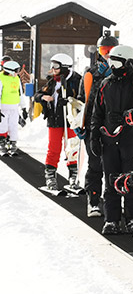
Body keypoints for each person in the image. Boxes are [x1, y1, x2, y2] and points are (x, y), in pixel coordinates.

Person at [88, 45, 133, 235]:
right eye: (110, 61)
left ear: (126, 62)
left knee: (130, 179)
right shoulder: (105, 84)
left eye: (116, 61)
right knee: (111, 180)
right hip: (109, 139)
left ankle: (132, 218)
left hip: (131, 139)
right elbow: (96, 114)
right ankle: (112, 220)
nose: (112, 65)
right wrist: (94, 137)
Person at [80, 34, 121, 217]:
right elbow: (83, 101)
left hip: (115, 127)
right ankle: (94, 201)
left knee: (114, 166)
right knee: (95, 164)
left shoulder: (121, 73)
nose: (107, 54)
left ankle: (112, 203)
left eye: (111, 50)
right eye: (104, 50)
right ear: (98, 52)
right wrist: (79, 124)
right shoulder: (91, 73)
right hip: (93, 126)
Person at [35, 53, 84, 191]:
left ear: (64, 67)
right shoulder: (52, 81)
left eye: (56, 66)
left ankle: (73, 175)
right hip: (55, 119)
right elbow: (37, 95)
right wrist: (44, 97)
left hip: (70, 120)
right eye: (52, 65)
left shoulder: (76, 80)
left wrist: (69, 101)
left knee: (71, 148)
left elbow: (82, 99)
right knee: (54, 148)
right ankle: (50, 175)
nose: (53, 69)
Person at [1, 57, 23, 155]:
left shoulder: (16, 78)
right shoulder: (1, 78)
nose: (18, 73)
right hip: (3, 108)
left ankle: (13, 143)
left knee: (13, 126)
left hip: (14, 107)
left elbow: (20, 93)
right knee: (3, 126)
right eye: (16, 71)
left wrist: (24, 107)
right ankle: (2, 144)